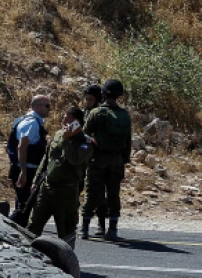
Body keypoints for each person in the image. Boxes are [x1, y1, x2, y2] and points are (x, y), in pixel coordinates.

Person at [27, 107, 93, 247]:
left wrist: (67, 140)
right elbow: (46, 159)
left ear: (77, 123)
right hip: (47, 189)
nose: (64, 121)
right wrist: (36, 180)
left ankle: (65, 263)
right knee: (33, 227)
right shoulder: (58, 135)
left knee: (66, 232)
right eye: (64, 117)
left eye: (69, 119)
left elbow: (74, 159)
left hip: (66, 193)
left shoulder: (85, 142)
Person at [81, 79, 131, 241]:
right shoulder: (125, 115)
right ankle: (112, 229)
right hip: (116, 160)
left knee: (92, 192)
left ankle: (85, 229)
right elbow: (128, 141)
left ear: (103, 94)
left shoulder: (96, 113)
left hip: (97, 159)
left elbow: (84, 134)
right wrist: (124, 159)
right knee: (113, 194)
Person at [6, 95, 51, 223]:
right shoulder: (31, 123)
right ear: (37, 107)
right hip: (26, 169)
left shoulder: (29, 120)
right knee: (26, 207)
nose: (50, 109)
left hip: (26, 169)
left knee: (24, 204)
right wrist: (23, 172)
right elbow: (22, 146)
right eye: (47, 106)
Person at [81, 84, 106, 236]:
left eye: (90, 99)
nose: (87, 101)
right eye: (86, 99)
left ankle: (100, 225)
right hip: (82, 157)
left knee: (97, 193)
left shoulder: (102, 114)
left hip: (98, 158)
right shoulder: (85, 112)